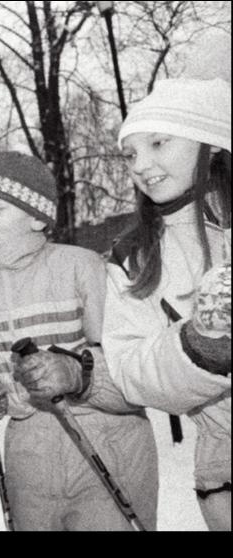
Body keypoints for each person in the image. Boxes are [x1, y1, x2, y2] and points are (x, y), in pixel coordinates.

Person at [0, 151, 158, 531]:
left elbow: (132, 372)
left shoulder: (81, 267)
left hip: (107, 441)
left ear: (36, 217)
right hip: (26, 453)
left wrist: (75, 371)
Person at [106, 77, 231, 531]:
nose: (142, 164)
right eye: (132, 153)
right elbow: (130, 371)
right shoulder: (133, 256)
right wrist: (199, 349)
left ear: (212, 141)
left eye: (158, 142)